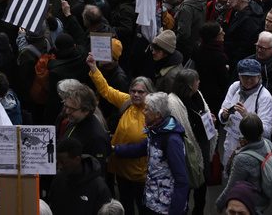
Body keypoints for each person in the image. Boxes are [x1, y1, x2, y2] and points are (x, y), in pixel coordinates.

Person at [87, 52, 151, 215]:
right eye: (133, 90)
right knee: (126, 204)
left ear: (149, 94)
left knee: (143, 207)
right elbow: (106, 90)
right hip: (121, 171)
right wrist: (94, 68)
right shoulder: (126, 101)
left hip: (141, 175)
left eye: (140, 92)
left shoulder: (154, 112)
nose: (136, 94)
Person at [113, 92, 189, 215]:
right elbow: (141, 148)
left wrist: (175, 211)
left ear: (158, 114)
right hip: (152, 202)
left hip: (165, 208)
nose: (144, 112)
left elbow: (182, 180)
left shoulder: (171, 140)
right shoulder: (155, 131)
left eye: (147, 109)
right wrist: (115, 149)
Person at [219, 58, 272, 168]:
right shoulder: (234, 87)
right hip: (231, 144)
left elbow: (267, 132)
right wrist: (223, 115)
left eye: (252, 77)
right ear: (239, 76)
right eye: (245, 77)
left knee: (247, 183)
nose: (248, 80)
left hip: (251, 151)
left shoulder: (265, 98)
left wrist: (247, 116)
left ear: (259, 76)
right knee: (231, 179)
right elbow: (223, 109)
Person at [215, 114, 272, 213]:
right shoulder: (269, 145)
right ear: (261, 130)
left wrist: (219, 204)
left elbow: (231, 186)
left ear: (242, 132)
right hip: (265, 195)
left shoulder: (242, 159)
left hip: (250, 201)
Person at [49, 136, 114, 215]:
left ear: (77, 159)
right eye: (57, 162)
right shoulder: (58, 179)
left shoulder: (99, 188)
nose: (59, 166)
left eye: (63, 162)